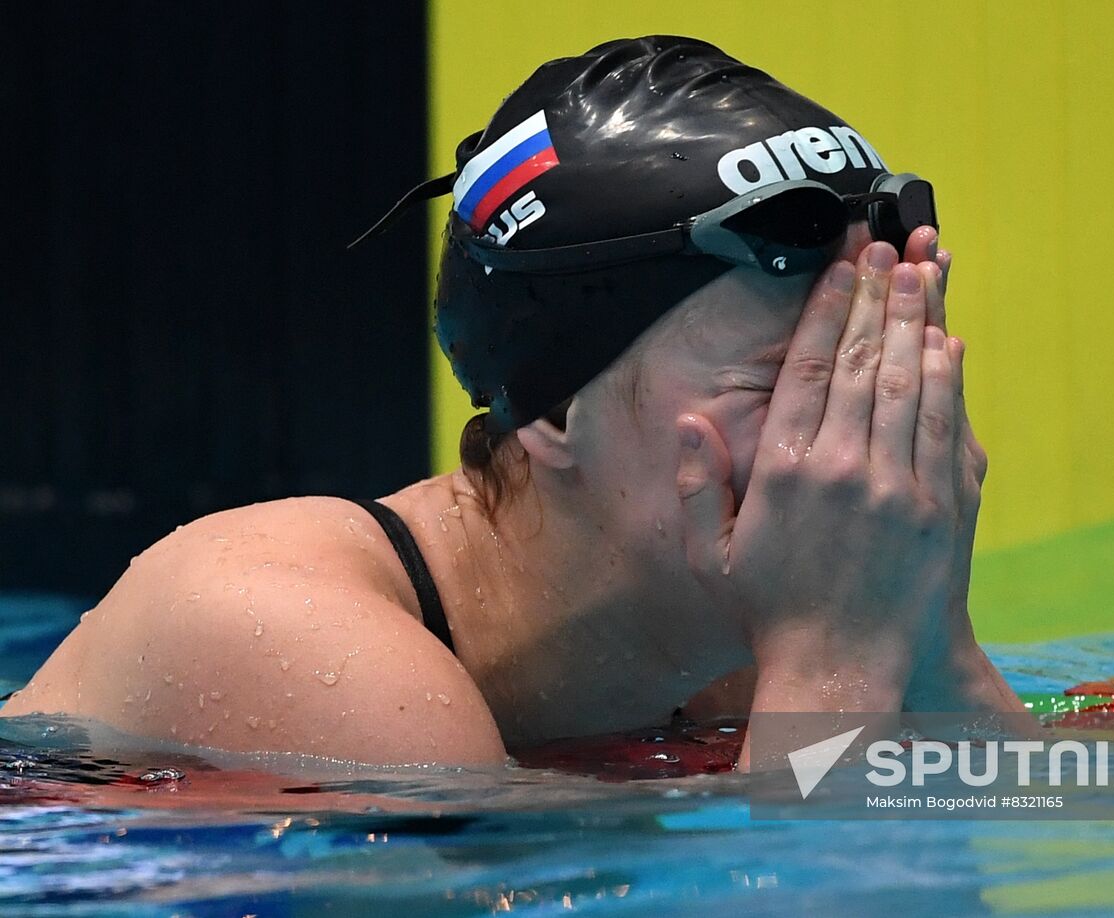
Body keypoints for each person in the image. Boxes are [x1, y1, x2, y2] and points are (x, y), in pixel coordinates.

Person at [0, 36, 1021, 768]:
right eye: (779, 385)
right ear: (551, 406)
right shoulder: (300, 643)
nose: (850, 447)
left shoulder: (747, 638)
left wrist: (934, 644)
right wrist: (832, 667)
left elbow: (1053, 835)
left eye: (869, 365)